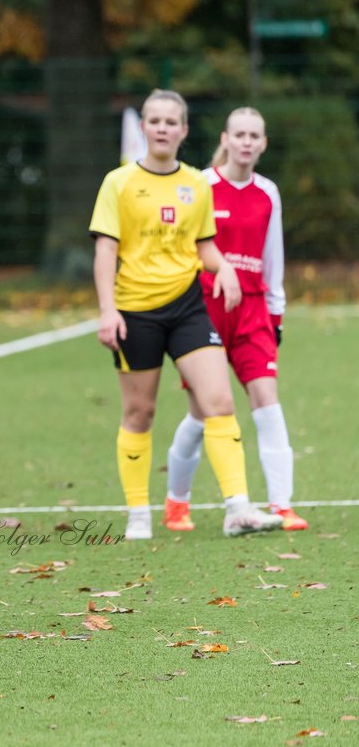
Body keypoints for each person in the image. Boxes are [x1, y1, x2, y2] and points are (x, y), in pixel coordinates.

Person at [89, 89, 282, 540]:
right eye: (154, 121)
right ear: (143, 128)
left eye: (170, 122)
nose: (161, 128)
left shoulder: (196, 182)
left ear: (184, 130)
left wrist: (226, 268)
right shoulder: (117, 183)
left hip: (188, 307)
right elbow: (105, 250)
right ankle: (139, 513)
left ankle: (238, 508)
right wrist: (107, 311)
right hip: (135, 311)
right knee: (141, 412)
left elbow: (204, 245)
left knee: (219, 402)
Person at [164, 108, 306, 531]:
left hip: (253, 312)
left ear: (263, 144)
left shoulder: (268, 193)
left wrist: (275, 315)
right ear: (225, 139)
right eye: (239, 134)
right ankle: (177, 502)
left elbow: (272, 260)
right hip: (203, 309)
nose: (246, 142)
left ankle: (282, 505)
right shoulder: (200, 186)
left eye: (254, 136)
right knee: (202, 411)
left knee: (267, 400)